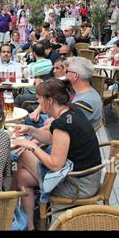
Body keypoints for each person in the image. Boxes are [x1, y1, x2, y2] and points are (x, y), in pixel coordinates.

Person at [13, 79, 102, 230]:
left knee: (21, 156)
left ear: (50, 100)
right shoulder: (72, 111)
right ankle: (29, 226)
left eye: (40, 97)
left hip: (78, 186)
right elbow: (51, 138)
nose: (37, 100)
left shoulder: (63, 124)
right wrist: (30, 130)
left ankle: (9, 210)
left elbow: (55, 165)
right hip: (88, 177)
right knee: (21, 176)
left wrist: (31, 146)